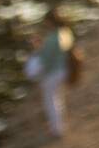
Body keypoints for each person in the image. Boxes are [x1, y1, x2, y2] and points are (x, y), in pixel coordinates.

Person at [24, 8, 74, 137]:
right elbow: (64, 51)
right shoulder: (66, 33)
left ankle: (57, 129)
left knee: (50, 101)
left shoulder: (52, 38)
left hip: (53, 73)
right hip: (63, 70)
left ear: (50, 22)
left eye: (46, 22)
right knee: (58, 98)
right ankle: (60, 125)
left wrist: (37, 48)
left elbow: (46, 60)